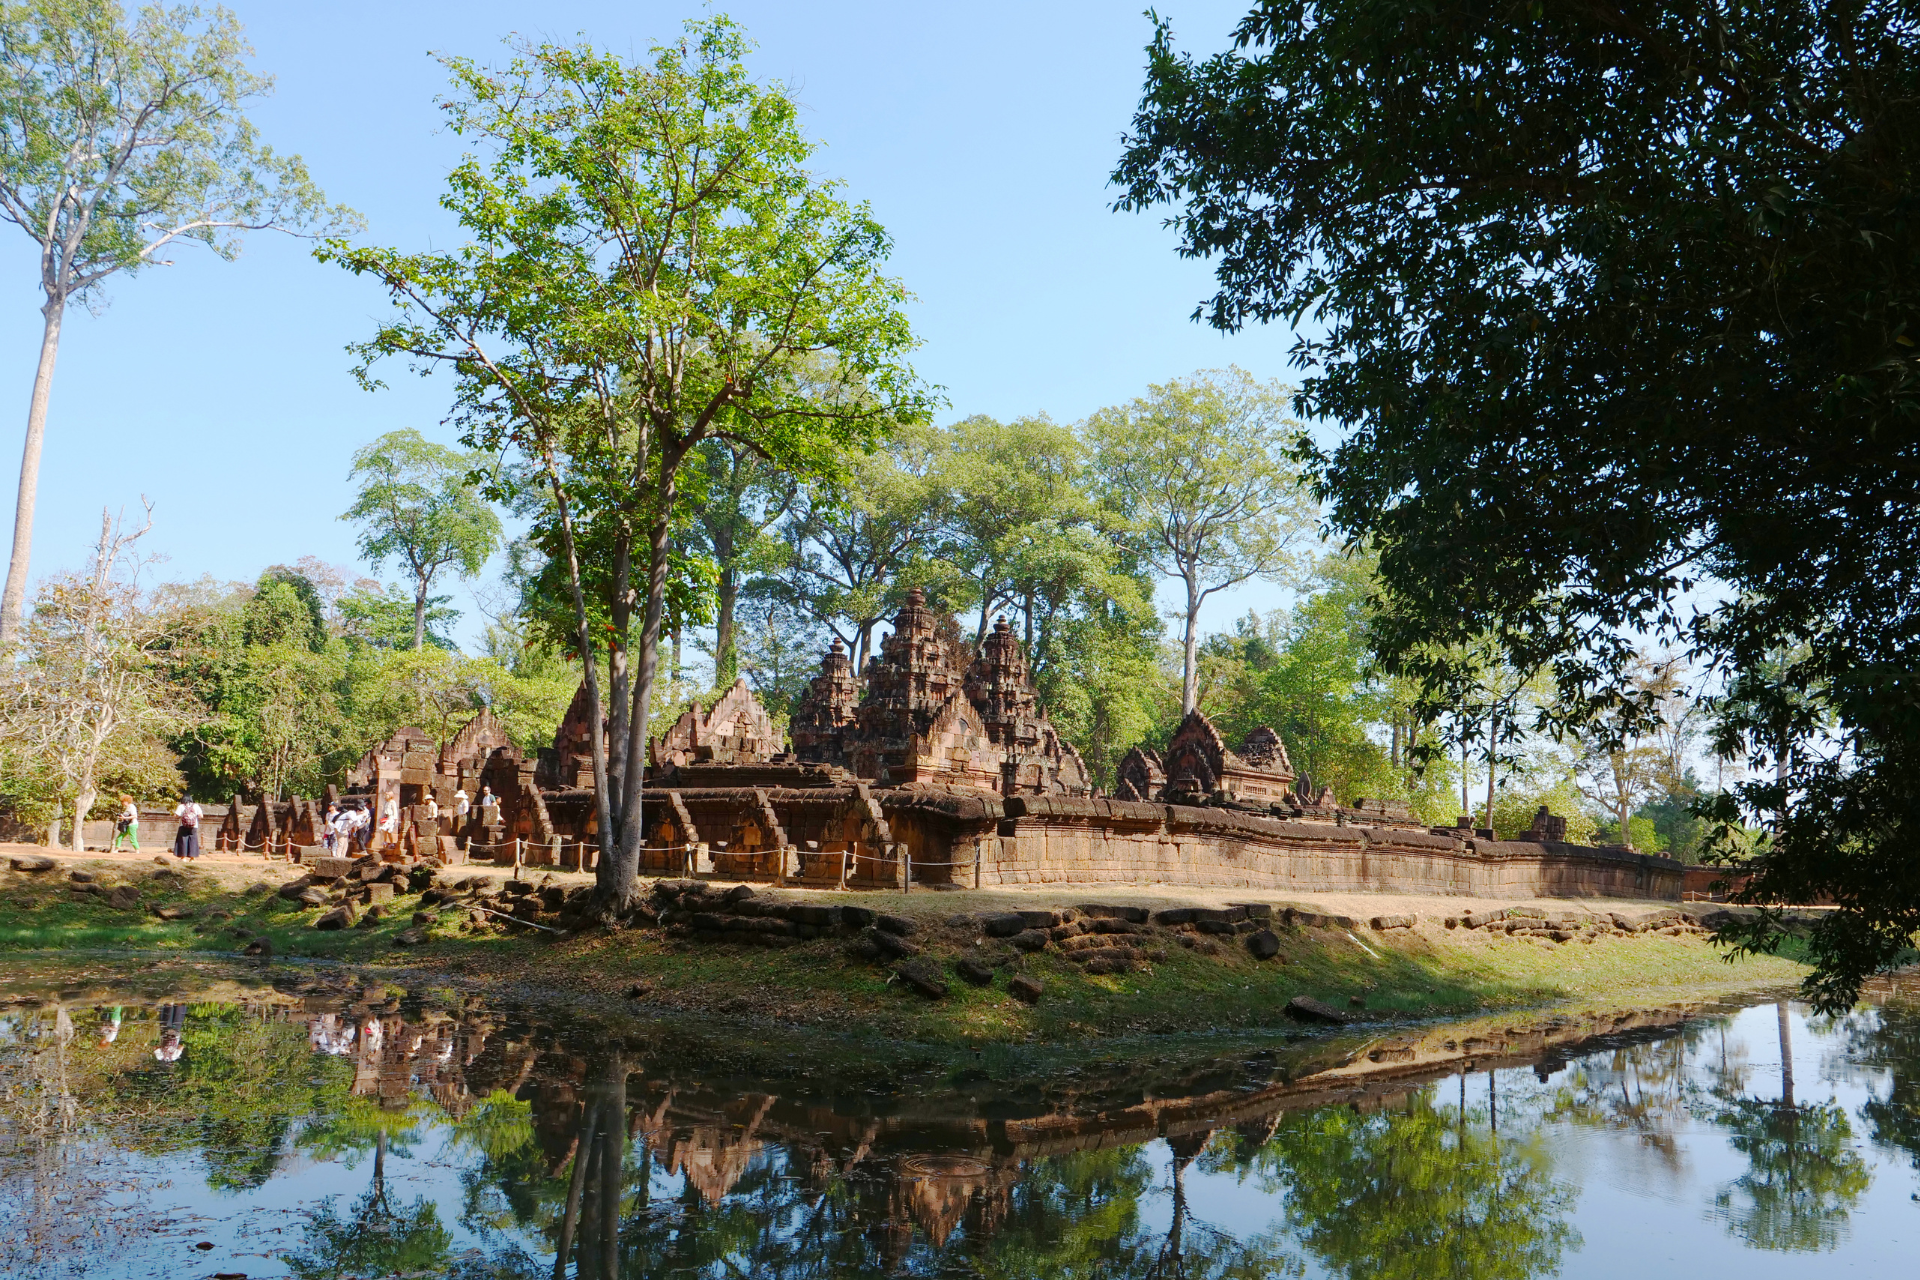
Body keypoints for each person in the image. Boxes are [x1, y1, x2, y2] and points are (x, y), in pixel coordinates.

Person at [172, 795, 202, 860]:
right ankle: (192, 858)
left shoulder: (181, 806)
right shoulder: (196, 806)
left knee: (183, 840)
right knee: (193, 841)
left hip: (183, 826)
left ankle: (183, 858)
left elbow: (176, 815)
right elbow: (201, 816)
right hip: (194, 826)